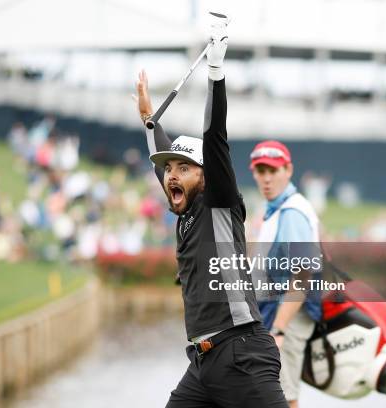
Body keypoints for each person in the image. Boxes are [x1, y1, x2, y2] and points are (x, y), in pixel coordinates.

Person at [135, 20, 288, 408]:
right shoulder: (182, 202)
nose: (171, 174)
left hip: (242, 355)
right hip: (203, 364)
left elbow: (215, 137)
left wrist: (215, 75)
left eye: (183, 168)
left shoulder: (219, 200)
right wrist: (149, 120)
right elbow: (164, 156)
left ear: (206, 176)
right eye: (168, 169)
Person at [249, 141, 322, 408]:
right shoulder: (276, 210)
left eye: (273, 170)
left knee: (284, 398)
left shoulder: (292, 212)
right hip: (275, 314)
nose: (266, 178)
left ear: (288, 170)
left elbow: (302, 275)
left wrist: (278, 329)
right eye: (261, 171)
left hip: (287, 317)